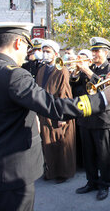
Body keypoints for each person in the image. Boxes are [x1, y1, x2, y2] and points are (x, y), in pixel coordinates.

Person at [0, 22, 110, 211]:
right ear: (19, 43)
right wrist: (102, 99)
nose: (28, 53)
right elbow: (54, 106)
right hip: (14, 169)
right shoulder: (14, 75)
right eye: (28, 47)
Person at [75, 37, 110, 201]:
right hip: (86, 115)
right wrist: (76, 72)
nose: (94, 54)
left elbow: (106, 86)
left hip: (103, 118)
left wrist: (87, 71)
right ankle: (91, 181)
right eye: (93, 50)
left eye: (97, 51)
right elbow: (76, 86)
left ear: (106, 52)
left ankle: (104, 185)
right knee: (88, 154)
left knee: (103, 155)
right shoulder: (89, 67)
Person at [35, 39, 76, 183]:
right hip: (44, 111)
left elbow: (64, 93)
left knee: (60, 143)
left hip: (58, 112)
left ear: (55, 53)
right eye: (43, 51)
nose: (45, 54)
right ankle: (50, 171)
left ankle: (62, 173)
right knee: (47, 143)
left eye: (48, 51)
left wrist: (63, 116)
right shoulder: (41, 70)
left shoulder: (62, 70)